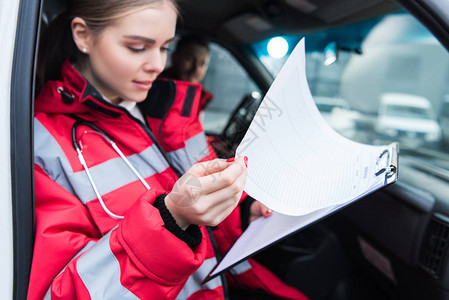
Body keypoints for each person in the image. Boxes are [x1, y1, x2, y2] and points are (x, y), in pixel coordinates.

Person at [29, 0, 310, 299]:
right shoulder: (43, 148)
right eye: (138, 47)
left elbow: (207, 207)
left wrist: (241, 210)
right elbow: (63, 292)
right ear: (83, 36)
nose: (158, 64)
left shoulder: (172, 113)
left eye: (164, 48)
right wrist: (171, 220)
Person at [160, 33, 214, 114]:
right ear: (174, 58)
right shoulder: (156, 92)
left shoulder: (196, 98)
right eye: (190, 59)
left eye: (202, 64)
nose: (196, 69)